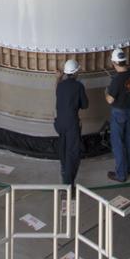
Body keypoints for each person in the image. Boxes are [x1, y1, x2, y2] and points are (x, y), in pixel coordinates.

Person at [104, 47, 130, 183]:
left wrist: (106, 92)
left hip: (119, 113)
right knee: (129, 139)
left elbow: (110, 100)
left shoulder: (117, 80)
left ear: (114, 63)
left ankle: (121, 175)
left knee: (117, 142)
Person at [55, 58, 88, 188]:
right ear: (75, 73)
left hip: (59, 122)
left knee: (63, 149)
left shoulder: (60, 85)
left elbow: (57, 93)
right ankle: (68, 185)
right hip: (71, 124)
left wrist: (58, 78)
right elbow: (85, 105)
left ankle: (64, 171)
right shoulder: (78, 86)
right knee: (72, 153)